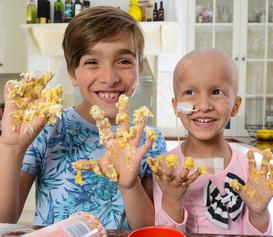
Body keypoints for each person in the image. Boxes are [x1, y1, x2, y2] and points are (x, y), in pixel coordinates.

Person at [0, 6, 166, 230]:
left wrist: (130, 185)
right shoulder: (47, 128)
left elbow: (148, 229)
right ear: (72, 72)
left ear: (140, 68)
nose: (109, 78)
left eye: (124, 61)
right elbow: (4, 218)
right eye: (91, 62)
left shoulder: (149, 141)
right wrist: (11, 147)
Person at [152, 49, 273, 235]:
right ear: (176, 107)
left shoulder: (248, 170)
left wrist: (258, 213)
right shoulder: (166, 170)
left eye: (216, 92)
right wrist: (172, 200)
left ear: (235, 106)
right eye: (190, 92)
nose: (204, 106)